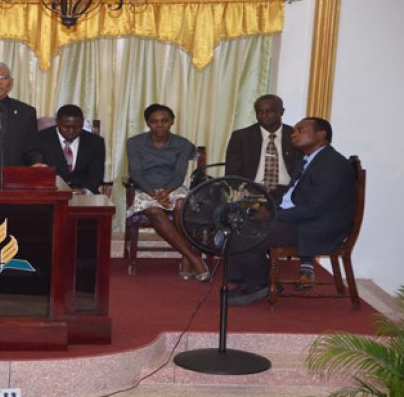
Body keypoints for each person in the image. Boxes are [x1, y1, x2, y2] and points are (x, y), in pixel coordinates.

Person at [228, 117, 355, 306]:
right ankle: (255, 280)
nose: (293, 134)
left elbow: (315, 208)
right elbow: (291, 198)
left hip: (317, 227)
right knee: (237, 222)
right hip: (301, 219)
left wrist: (271, 215)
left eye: (301, 130)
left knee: (245, 234)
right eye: (294, 130)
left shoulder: (331, 164)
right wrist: (266, 208)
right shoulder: (309, 159)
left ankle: (259, 283)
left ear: (321, 135)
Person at [126, 104, 210, 281]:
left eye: (164, 121)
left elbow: (179, 174)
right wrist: (153, 193)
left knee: (181, 204)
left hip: (173, 187)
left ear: (172, 121)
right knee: (155, 211)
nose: (160, 125)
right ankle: (193, 258)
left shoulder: (183, 144)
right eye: (154, 122)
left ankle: (187, 260)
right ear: (148, 123)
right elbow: (136, 172)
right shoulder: (134, 142)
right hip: (145, 189)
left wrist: (166, 192)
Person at [225, 94, 302, 201]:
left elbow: (303, 171)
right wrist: (247, 187)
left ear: (282, 112)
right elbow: (232, 174)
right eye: (260, 112)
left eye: (269, 111)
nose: (264, 115)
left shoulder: (294, 135)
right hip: (251, 193)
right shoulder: (241, 137)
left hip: (288, 194)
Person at [36, 104, 105, 195]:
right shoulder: (40, 139)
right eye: (66, 127)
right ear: (57, 122)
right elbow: (36, 173)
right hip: (49, 194)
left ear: (82, 123)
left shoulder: (95, 142)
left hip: (83, 196)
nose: (71, 131)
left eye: (77, 127)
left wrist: (85, 191)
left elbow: (96, 175)